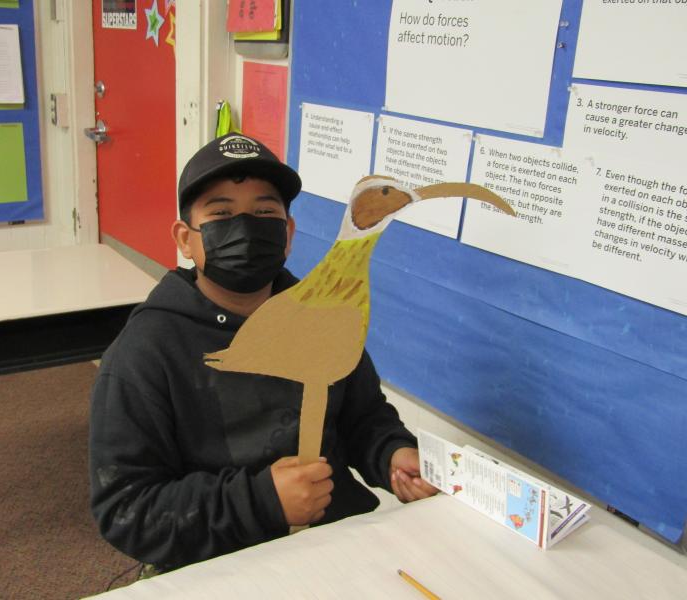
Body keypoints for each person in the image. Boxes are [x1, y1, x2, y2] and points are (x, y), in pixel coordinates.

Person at [89, 134, 437, 574]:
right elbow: (126, 508)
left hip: (335, 545)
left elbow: (363, 416)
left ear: (287, 234)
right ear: (185, 239)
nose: (245, 227)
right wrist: (261, 502)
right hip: (219, 565)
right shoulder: (145, 353)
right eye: (221, 213)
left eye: (264, 212)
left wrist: (392, 455)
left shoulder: (323, 317)